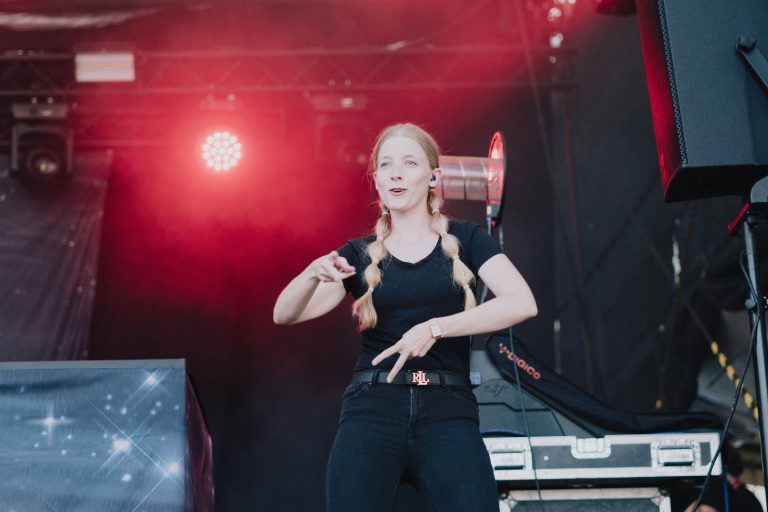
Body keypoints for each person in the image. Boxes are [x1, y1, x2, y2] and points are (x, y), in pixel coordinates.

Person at [273, 123, 538, 512]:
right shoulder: (359, 253)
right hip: (373, 409)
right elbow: (284, 314)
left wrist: (436, 328)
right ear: (377, 179)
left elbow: (521, 302)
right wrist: (312, 271)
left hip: (448, 411)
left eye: (409, 163)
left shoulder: (466, 238)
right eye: (386, 165)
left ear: (432, 176)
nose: (396, 173)